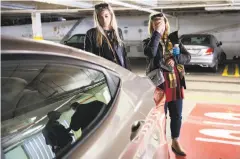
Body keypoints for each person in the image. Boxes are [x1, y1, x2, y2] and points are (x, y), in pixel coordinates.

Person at [143, 12, 191, 156]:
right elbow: (150, 53)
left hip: (175, 83)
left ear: (166, 23)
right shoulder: (149, 41)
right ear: (152, 25)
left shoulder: (174, 40)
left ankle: (175, 141)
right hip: (159, 86)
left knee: (177, 115)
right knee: (160, 117)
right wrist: (157, 33)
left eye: (161, 22)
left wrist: (176, 59)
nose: (159, 25)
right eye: (155, 23)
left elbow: (187, 57)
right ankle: (161, 143)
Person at [84, 2, 131, 70]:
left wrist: (129, 71)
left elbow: (123, 54)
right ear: (97, 18)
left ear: (111, 16)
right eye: (100, 17)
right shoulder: (91, 33)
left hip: (120, 70)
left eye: (106, 16)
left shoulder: (118, 31)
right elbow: (89, 57)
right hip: (104, 72)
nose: (104, 20)